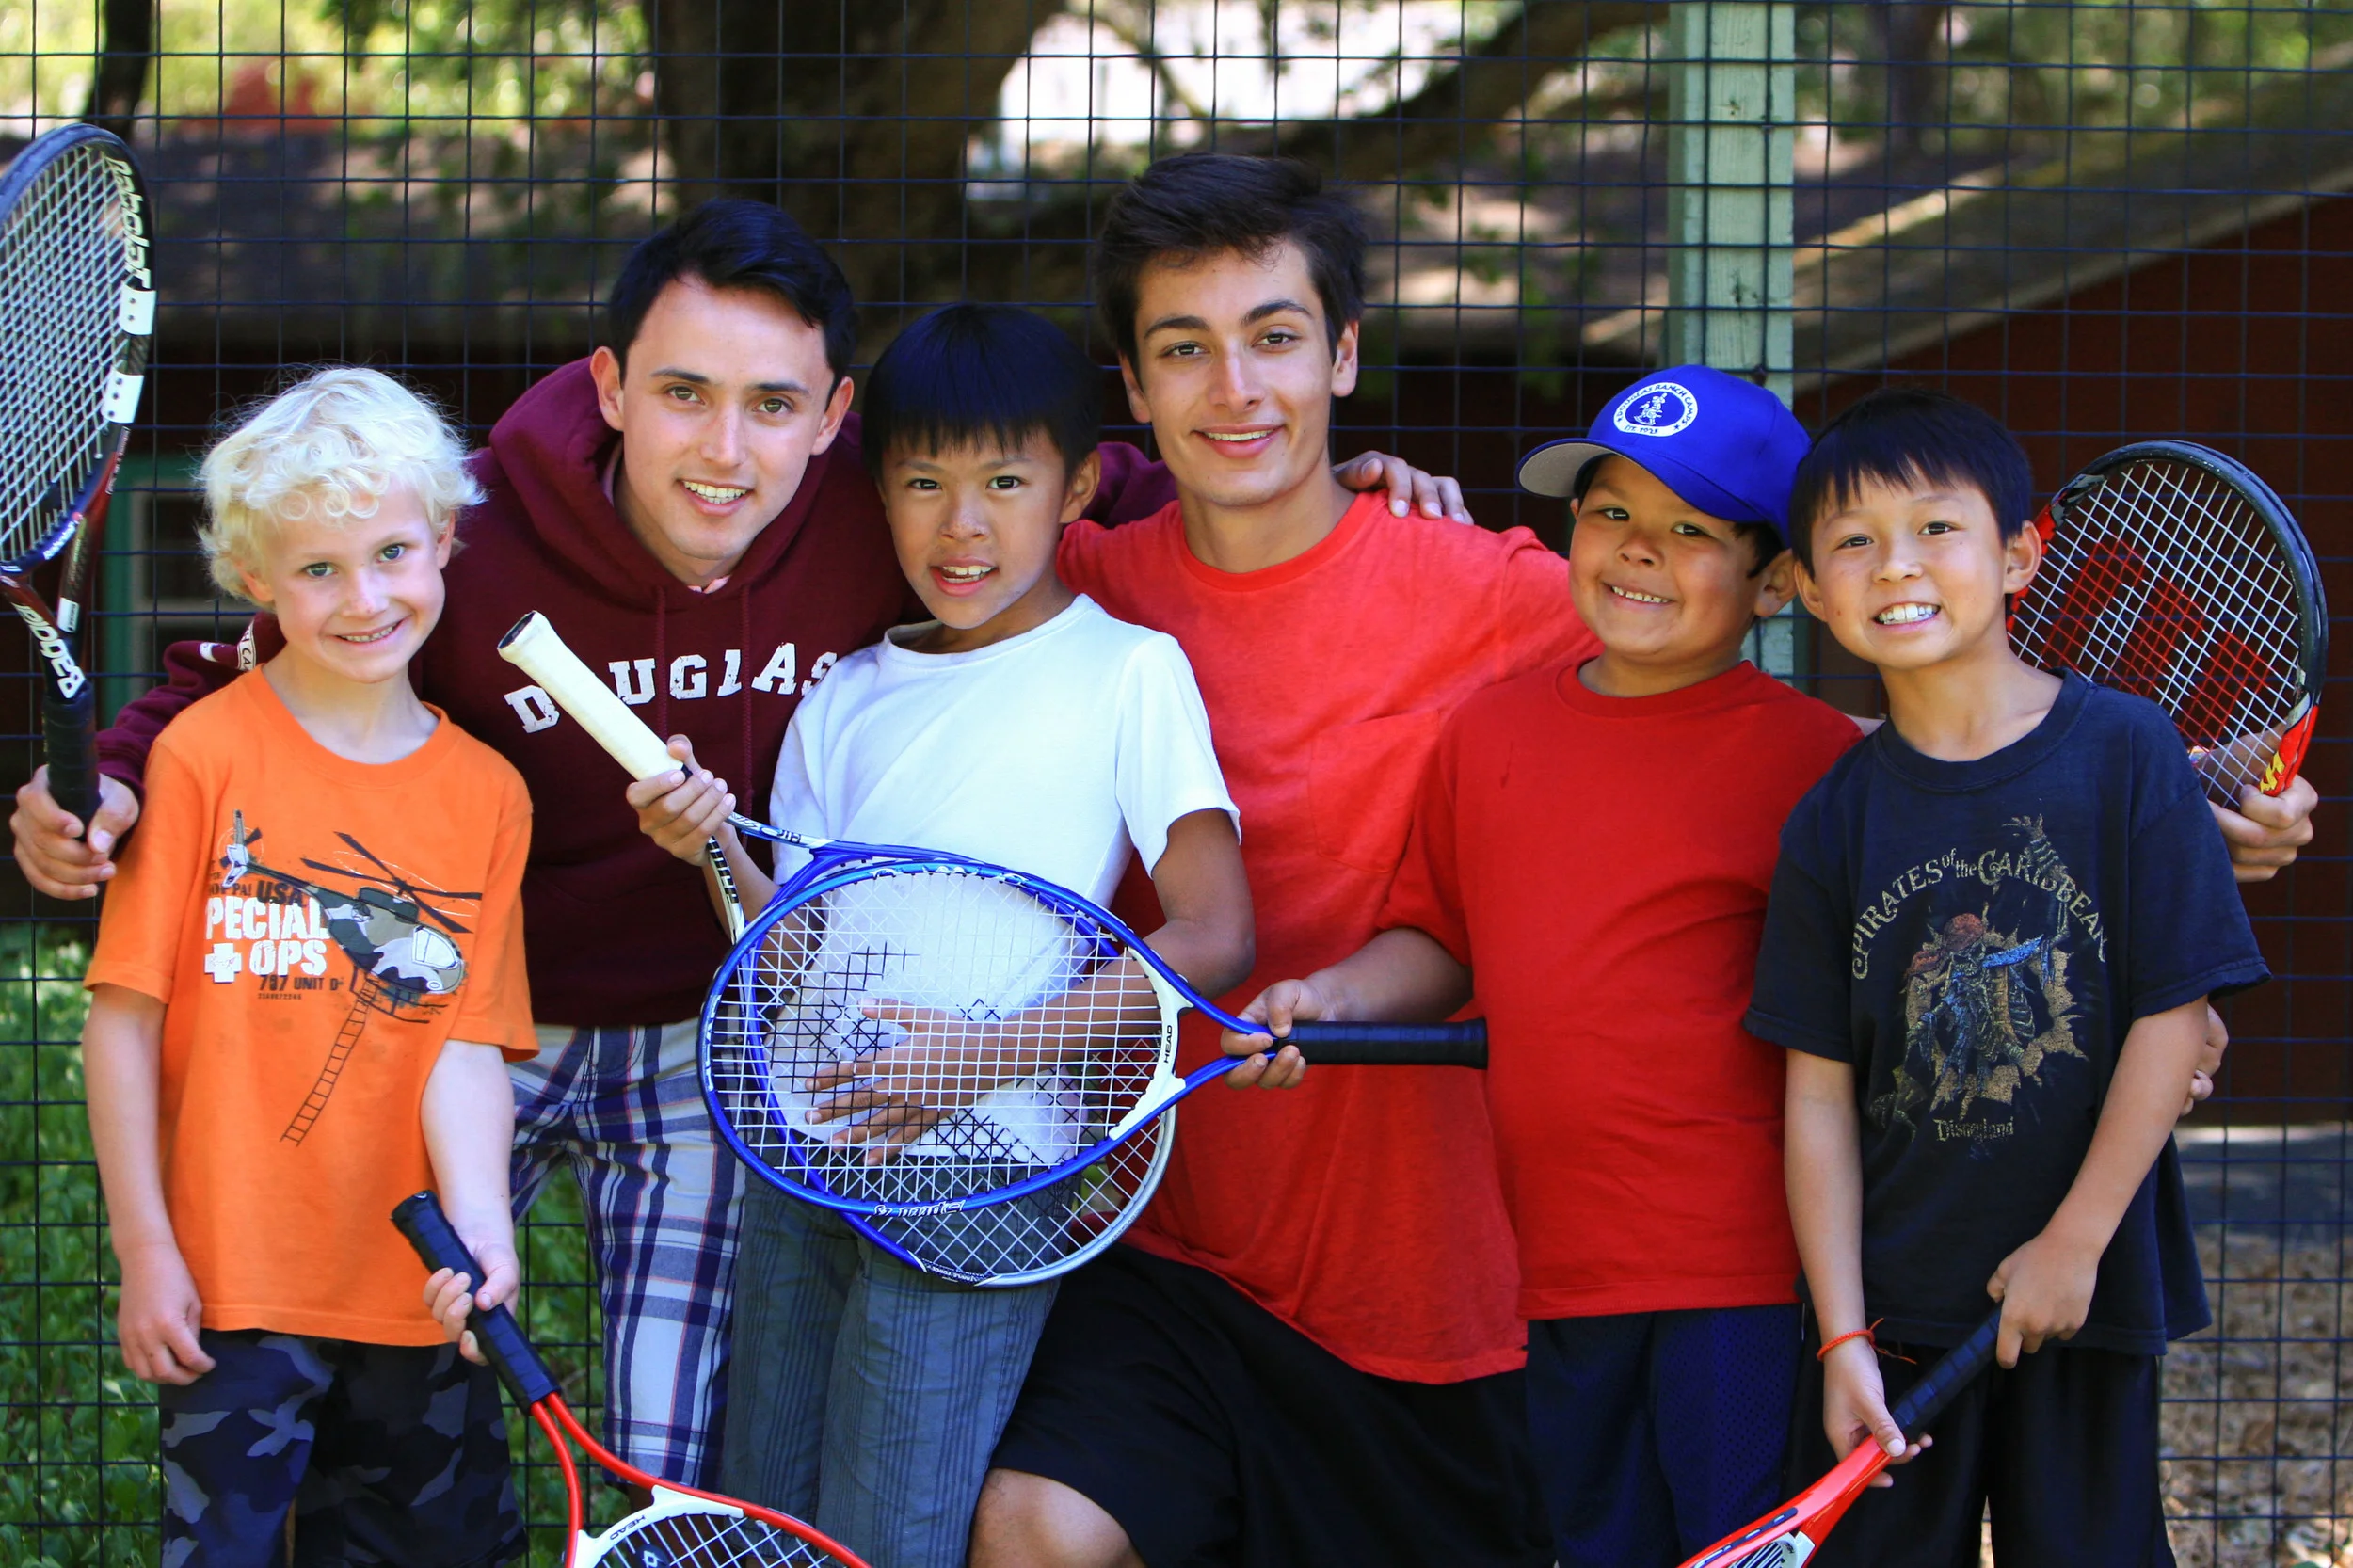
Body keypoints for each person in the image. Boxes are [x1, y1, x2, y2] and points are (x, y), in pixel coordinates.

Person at [14, 197, 1435, 1488]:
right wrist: (113, 788)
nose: (725, 446)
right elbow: (248, 660)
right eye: (685, 393)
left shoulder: (896, 520)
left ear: (834, 420)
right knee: (360, 1360)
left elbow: (1093, 475)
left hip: (714, 1040)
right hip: (473, 1026)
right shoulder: (465, 538)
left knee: (667, 1450)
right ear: (613, 386)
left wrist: (1338, 475)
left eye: (772, 405)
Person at [629, 302, 1255, 1568]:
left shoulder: (1128, 670)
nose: (961, 525)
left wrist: (981, 1058)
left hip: (979, 1163)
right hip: (800, 1150)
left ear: (1077, 484)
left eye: (1005, 482)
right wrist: (710, 841)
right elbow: (790, 949)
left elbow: (1217, 933)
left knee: (892, 1531)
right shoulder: (846, 693)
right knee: (772, 1515)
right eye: (924, 483)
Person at [1219, 366, 1855, 1565]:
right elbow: (1442, 936)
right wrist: (1331, 999)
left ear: (1776, 581)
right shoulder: (1490, 732)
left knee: (1729, 1551)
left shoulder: (1820, 765)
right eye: (1610, 512)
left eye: (1689, 530)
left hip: (1744, 1277)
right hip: (1556, 1271)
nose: (1636, 551)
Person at [1749, 390, 2268, 1566]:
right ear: (1817, 594)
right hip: (1897, 1320)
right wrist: (1841, 1340)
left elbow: (2172, 1018)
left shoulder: (2127, 751)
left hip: (2087, 1296)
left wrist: (2075, 1241)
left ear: (2020, 553)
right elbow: (1818, 1094)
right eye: (1852, 541)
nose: (1897, 565)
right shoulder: (1830, 820)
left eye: (1936, 527)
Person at [79, 368, 537, 1565]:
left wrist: (483, 1226)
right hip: (231, 1295)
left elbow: (466, 1037)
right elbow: (121, 1022)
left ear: (443, 540)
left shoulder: (489, 792)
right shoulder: (197, 758)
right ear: (253, 582)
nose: (364, 597)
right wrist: (147, 1250)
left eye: (391, 552)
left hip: (417, 1284)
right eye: (319, 569)